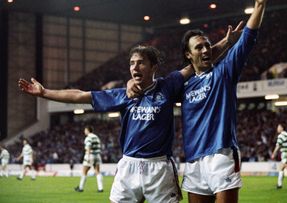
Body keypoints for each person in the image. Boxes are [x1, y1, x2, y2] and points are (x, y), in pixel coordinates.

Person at [19, 45, 196, 202]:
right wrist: (45, 93)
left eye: (140, 62)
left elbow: (194, 64)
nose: (135, 67)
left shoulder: (167, 86)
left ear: (153, 67)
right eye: (132, 63)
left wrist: (225, 44)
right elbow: (80, 95)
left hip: (159, 167)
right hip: (129, 165)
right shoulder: (122, 95)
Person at [179, 0, 269, 202]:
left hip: (222, 155)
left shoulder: (224, 72)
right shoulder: (182, 86)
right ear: (188, 55)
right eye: (198, 47)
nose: (205, 50)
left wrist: (259, 5)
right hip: (193, 161)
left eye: (207, 45)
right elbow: (156, 87)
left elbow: (247, 40)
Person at [74, 125, 104, 192]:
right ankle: (100, 188)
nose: (84, 131)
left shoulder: (88, 138)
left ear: (87, 130)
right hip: (97, 155)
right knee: (97, 171)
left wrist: (87, 156)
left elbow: (88, 147)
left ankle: (81, 188)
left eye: (85, 130)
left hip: (90, 155)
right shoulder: (96, 137)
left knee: (84, 171)